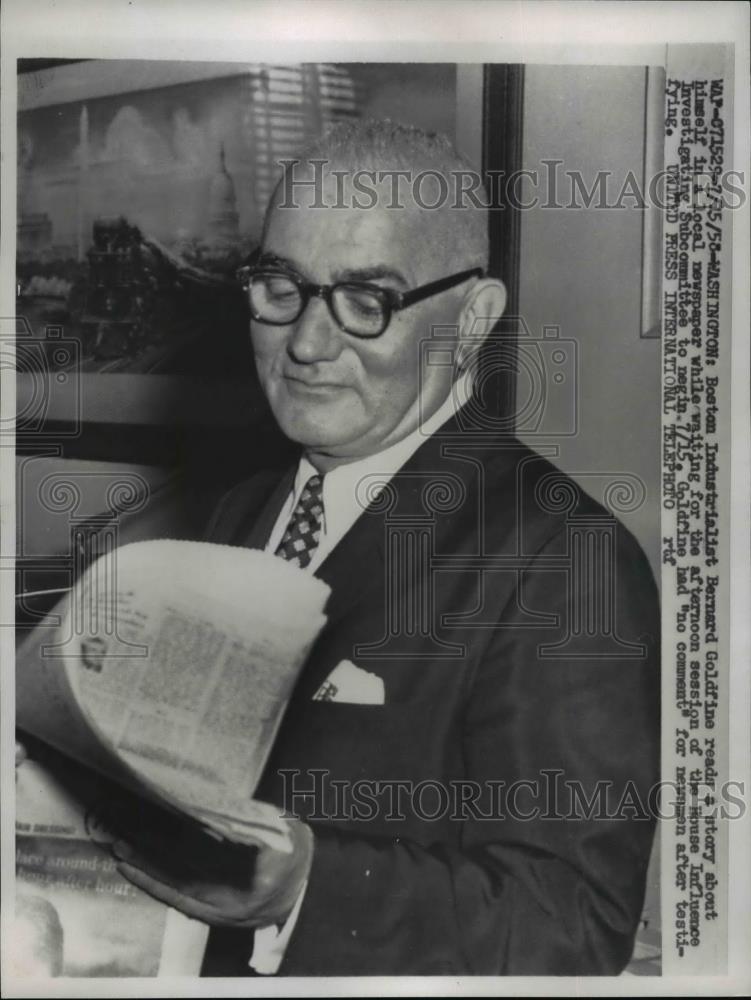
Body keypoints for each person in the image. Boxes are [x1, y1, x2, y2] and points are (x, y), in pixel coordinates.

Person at [113, 120, 660, 976]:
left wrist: (306, 887)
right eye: (279, 286)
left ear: (472, 319)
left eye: (366, 302)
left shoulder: (562, 556)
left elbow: (572, 924)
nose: (304, 343)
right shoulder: (239, 511)